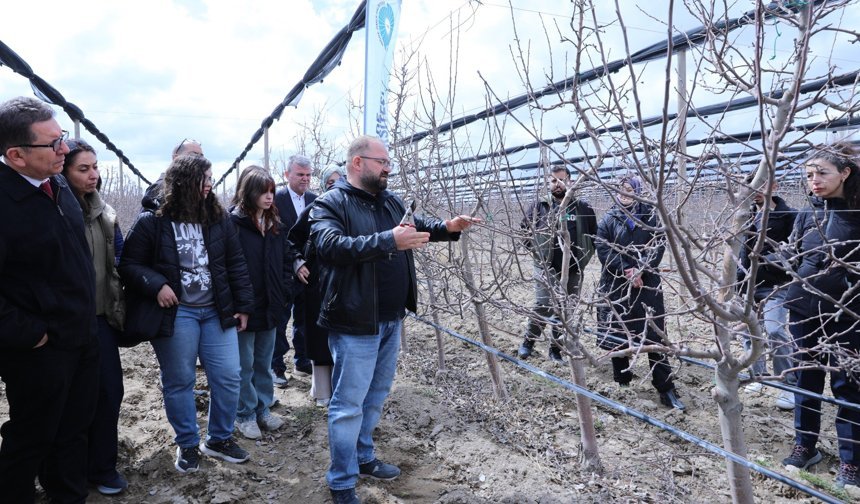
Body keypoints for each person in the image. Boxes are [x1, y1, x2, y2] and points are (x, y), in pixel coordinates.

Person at [310, 135, 476, 504]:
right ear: (358, 163)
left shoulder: (390, 201)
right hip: (354, 320)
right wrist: (388, 241)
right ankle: (341, 481)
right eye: (382, 162)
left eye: (389, 163)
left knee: (375, 396)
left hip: (390, 318)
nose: (388, 168)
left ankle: (363, 457)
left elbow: (415, 226)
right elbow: (329, 247)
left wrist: (447, 227)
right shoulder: (330, 203)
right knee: (347, 405)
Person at [119, 154, 254, 473]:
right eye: (203, 179)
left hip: (216, 311)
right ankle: (188, 443)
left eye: (210, 178)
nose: (209, 185)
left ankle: (219, 438)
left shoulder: (218, 218)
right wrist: (157, 285)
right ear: (183, 182)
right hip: (177, 313)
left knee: (229, 375)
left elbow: (235, 263)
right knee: (180, 380)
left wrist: (244, 306)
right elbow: (129, 264)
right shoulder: (152, 220)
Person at [0, 96, 99, 502]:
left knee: (74, 431)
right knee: (31, 436)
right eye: (54, 143)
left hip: (81, 336)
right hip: (38, 350)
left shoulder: (56, 185)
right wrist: (31, 334)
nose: (64, 150)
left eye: (63, 139)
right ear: (16, 155)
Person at [780, 143, 860, 489]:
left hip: (848, 314)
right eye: (809, 174)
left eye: (822, 173)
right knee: (806, 379)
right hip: (803, 310)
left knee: (848, 385)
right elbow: (794, 256)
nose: (814, 180)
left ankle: (851, 462)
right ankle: (805, 446)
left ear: (845, 173)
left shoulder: (856, 215)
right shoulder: (806, 214)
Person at [61, 139, 128, 495]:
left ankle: (102, 467)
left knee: (110, 392)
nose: (93, 175)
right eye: (83, 169)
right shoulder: (54, 210)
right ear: (63, 171)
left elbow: (120, 262)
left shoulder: (106, 213)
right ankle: (66, 473)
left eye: (95, 167)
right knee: (70, 400)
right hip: (64, 323)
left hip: (100, 319)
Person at [595, 176, 685, 411]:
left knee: (655, 334)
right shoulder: (609, 218)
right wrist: (626, 269)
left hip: (647, 284)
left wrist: (641, 269)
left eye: (629, 189)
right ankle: (622, 382)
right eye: (621, 189)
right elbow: (603, 249)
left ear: (637, 192)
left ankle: (665, 388)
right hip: (616, 284)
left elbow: (658, 245)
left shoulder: (651, 216)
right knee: (619, 333)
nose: (624, 193)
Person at [229, 166, 291, 439]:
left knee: (264, 364)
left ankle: (263, 409)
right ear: (249, 192)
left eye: (272, 192)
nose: (269, 197)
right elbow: (228, 268)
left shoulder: (275, 225)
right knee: (243, 366)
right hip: (243, 308)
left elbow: (286, 259)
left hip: (271, 306)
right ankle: (244, 414)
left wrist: (285, 290)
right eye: (263, 192)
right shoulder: (232, 224)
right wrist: (237, 304)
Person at [518, 165, 597, 363]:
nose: (558, 184)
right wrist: (538, 252)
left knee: (566, 309)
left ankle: (555, 348)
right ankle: (529, 341)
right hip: (546, 267)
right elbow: (524, 231)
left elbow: (594, 236)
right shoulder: (539, 207)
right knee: (543, 304)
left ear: (570, 181)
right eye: (553, 180)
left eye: (562, 180)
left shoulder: (582, 208)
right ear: (548, 183)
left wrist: (584, 257)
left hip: (573, 269)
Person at [736, 177, 797, 410]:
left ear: (774, 186)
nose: (756, 191)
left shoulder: (789, 216)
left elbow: (794, 250)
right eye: (751, 187)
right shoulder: (745, 216)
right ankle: (757, 375)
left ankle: (787, 384)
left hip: (776, 284)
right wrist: (737, 280)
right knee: (750, 332)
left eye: (762, 185)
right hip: (747, 284)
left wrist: (763, 260)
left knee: (775, 330)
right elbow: (737, 250)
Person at [288, 165, 344, 408]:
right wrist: (298, 263)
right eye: (330, 182)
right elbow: (292, 240)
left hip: (346, 284)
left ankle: (341, 390)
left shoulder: (352, 207)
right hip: (318, 282)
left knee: (344, 338)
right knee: (319, 336)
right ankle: (322, 391)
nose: (335, 186)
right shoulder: (315, 208)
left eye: (339, 181)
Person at [272, 154, 317, 385]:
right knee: (280, 319)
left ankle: (303, 360)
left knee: (305, 318)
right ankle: (276, 366)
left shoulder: (315, 199)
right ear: (287, 175)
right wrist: (295, 262)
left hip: (309, 271)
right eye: (300, 174)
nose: (305, 179)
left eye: (308, 175)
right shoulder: (276, 200)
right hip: (284, 271)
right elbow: (278, 237)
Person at [140, 138, 204, 211]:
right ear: (176, 158)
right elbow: (145, 217)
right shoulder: (159, 187)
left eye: (201, 156)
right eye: (193, 155)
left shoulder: (198, 189)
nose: (199, 159)